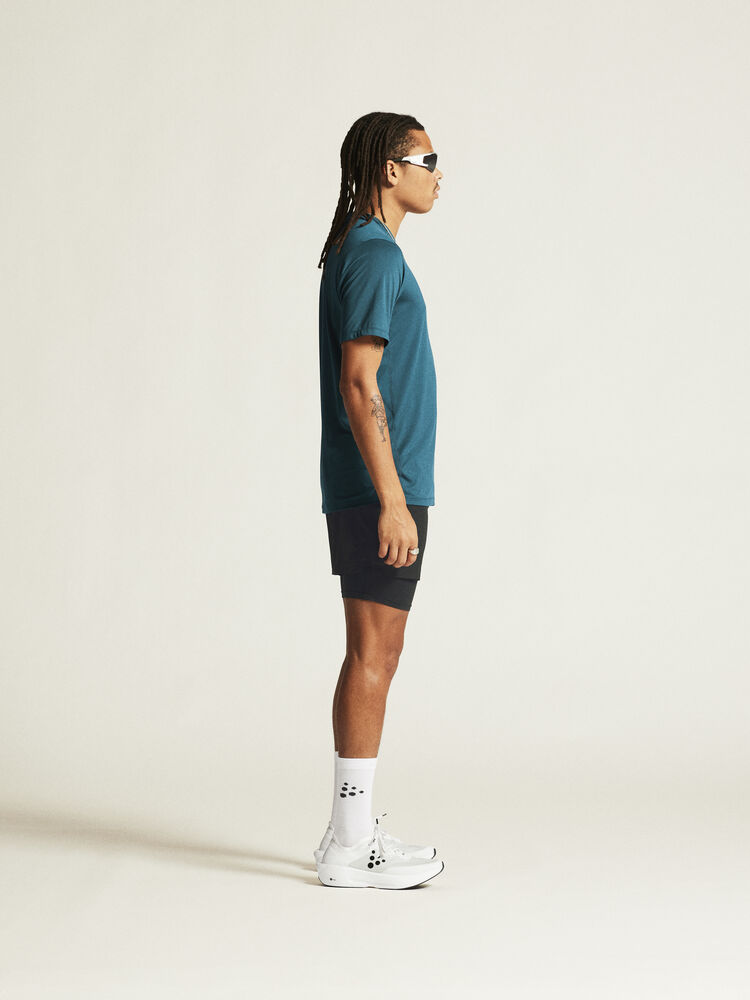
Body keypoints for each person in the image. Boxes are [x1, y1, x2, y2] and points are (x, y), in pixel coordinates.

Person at [314, 112, 445, 889]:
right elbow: (359, 382)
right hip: (378, 488)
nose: (439, 174)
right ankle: (349, 845)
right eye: (428, 159)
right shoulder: (372, 253)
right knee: (373, 653)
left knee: (379, 652)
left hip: (384, 484)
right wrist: (393, 500)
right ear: (390, 169)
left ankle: (349, 832)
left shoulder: (366, 250)